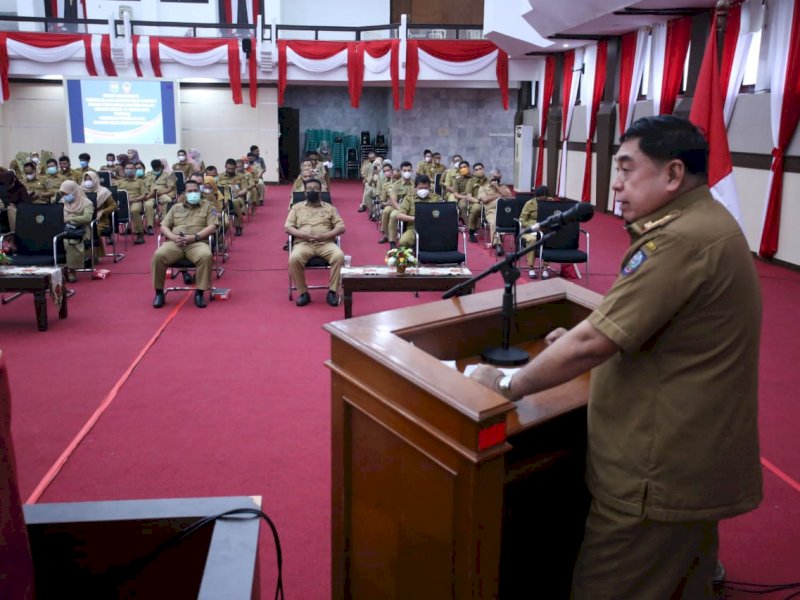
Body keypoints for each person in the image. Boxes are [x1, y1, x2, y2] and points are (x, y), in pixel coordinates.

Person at [470, 115, 763, 599]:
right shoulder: (704, 221)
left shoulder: (677, 239)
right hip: (695, 456)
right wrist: (587, 333)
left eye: (627, 169)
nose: (617, 185)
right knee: (681, 582)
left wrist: (505, 385)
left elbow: (592, 344)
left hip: (657, 468)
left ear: (672, 175)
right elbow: (644, 319)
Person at [151, 180, 217, 309]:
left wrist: (194, 237)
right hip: (175, 243)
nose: (193, 193)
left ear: (200, 191)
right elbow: (164, 226)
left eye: (195, 191)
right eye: (190, 191)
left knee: (206, 255)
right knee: (158, 255)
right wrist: (173, 238)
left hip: (197, 242)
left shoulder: (209, 207)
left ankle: (199, 292)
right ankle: (159, 293)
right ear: (184, 193)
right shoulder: (176, 207)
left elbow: (213, 226)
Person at [284, 178, 345, 307]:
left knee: (339, 256)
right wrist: (302, 235)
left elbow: (341, 227)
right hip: (303, 243)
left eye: (315, 189)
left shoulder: (330, 208)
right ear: (305, 192)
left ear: (321, 191)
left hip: (326, 243)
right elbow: (287, 227)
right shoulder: (296, 208)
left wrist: (326, 235)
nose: (312, 191)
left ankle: (332, 291)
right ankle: (303, 293)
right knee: (294, 258)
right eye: (309, 189)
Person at [396, 174, 444, 249]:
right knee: (403, 241)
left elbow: (443, 214)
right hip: (414, 228)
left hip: (433, 227)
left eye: (426, 188)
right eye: (420, 188)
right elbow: (399, 216)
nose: (423, 190)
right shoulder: (409, 198)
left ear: (429, 187)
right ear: (415, 188)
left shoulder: (436, 198)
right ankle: (411, 253)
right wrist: (414, 218)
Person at [59, 180, 94, 283]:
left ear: (74, 191)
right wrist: (72, 218)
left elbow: (87, 218)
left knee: (68, 242)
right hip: (64, 229)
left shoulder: (87, 203)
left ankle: (71, 270)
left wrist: (70, 218)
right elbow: (57, 216)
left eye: (66, 193)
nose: (64, 196)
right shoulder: (62, 202)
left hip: (81, 230)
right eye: (62, 194)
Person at [378, 161, 415, 248]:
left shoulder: (415, 184)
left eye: (409, 170)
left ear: (412, 171)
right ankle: (392, 240)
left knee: (393, 214)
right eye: (405, 170)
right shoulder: (396, 185)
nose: (407, 172)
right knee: (390, 213)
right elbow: (393, 201)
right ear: (401, 171)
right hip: (398, 206)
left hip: (411, 208)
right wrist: (401, 211)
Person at [477, 168, 513, 255]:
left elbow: (509, 196)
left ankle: (521, 243)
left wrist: (497, 187)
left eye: (498, 178)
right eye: (494, 177)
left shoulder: (503, 187)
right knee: (493, 222)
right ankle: (497, 245)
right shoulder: (483, 188)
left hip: (505, 212)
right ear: (490, 177)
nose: (497, 179)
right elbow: (485, 199)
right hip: (491, 211)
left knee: (517, 220)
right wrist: (499, 195)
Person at [82, 171, 117, 260]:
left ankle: (92, 256)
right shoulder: (79, 191)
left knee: (92, 229)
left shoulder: (104, 191)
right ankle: (82, 256)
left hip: (100, 220)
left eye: (90, 179)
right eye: (86, 179)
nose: (88, 181)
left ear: (95, 179)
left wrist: (103, 211)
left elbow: (114, 206)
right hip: (83, 219)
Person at [518, 185, 549, 277]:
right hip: (529, 230)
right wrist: (533, 226)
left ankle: (545, 268)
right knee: (532, 240)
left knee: (551, 239)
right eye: (540, 198)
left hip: (545, 229)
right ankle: (531, 267)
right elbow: (522, 220)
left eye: (545, 198)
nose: (543, 199)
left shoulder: (549, 203)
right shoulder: (529, 204)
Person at [116, 162, 150, 245]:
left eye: (131, 168)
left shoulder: (140, 181)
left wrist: (134, 199)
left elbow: (144, 195)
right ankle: (109, 234)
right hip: (122, 202)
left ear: (135, 170)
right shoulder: (119, 182)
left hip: (136, 201)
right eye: (127, 168)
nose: (129, 170)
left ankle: (139, 234)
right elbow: (115, 193)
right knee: (110, 210)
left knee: (134, 210)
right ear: (124, 170)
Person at [144, 158, 176, 232]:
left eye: (157, 169)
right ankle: (150, 226)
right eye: (154, 169)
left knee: (168, 200)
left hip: (162, 193)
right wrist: (149, 194)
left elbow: (170, 188)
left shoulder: (170, 174)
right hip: (150, 195)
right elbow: (144, 187)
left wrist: (161, 193)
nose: (156, 170)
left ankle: (164, 220)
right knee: (148, 204)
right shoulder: (147, 174)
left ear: (161, 166)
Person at [217, 159, 246, 236]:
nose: (230, 170)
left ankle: (238, 226)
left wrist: (237, 194)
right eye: (228, 168)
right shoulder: (220, 176)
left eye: (232, 169)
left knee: (235, 202)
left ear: (235, 168)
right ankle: (221, 227)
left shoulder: (241, 177)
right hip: (223, 198)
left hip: (237, 197)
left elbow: (245, 189)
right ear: (225, 167)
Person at [1, 169, 32, 238]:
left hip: (20, 210)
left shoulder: (20, 188)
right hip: (4, 211)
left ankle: (15, 235)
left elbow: (27, 202)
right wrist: (8, 203)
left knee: (11, 209)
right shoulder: (2, 187)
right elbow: (5, 201)